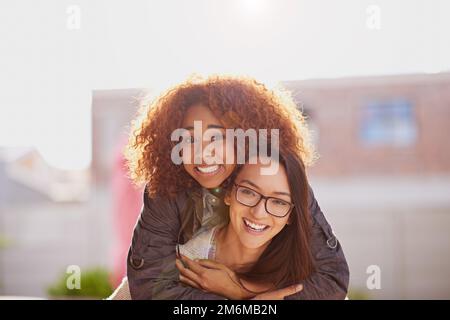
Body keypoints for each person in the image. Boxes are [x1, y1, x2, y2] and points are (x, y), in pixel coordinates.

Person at [124, 75, 349, 299]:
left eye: (216, 138)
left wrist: (240, 291)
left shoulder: (281, 183)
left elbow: (332, 279)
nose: (203, 154)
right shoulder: (166, 189)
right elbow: (148, 286)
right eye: (189, 140)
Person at [175, 152, 314, 299]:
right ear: (228, 194)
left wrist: (240, 292)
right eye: (248, 192)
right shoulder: (188, 260)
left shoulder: (304, 270)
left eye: (279, 202)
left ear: (290, 216)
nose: (258, 213)